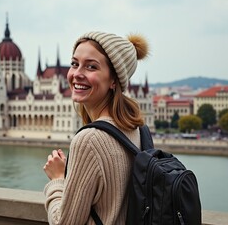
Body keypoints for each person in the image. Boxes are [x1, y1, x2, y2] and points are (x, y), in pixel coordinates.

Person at [43, 31, 149, 224]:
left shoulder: (89, 140)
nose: (77, 74)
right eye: (75, 64)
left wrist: (57, 179)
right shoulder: (137, 129)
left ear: (114, 80)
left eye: (91, 66)